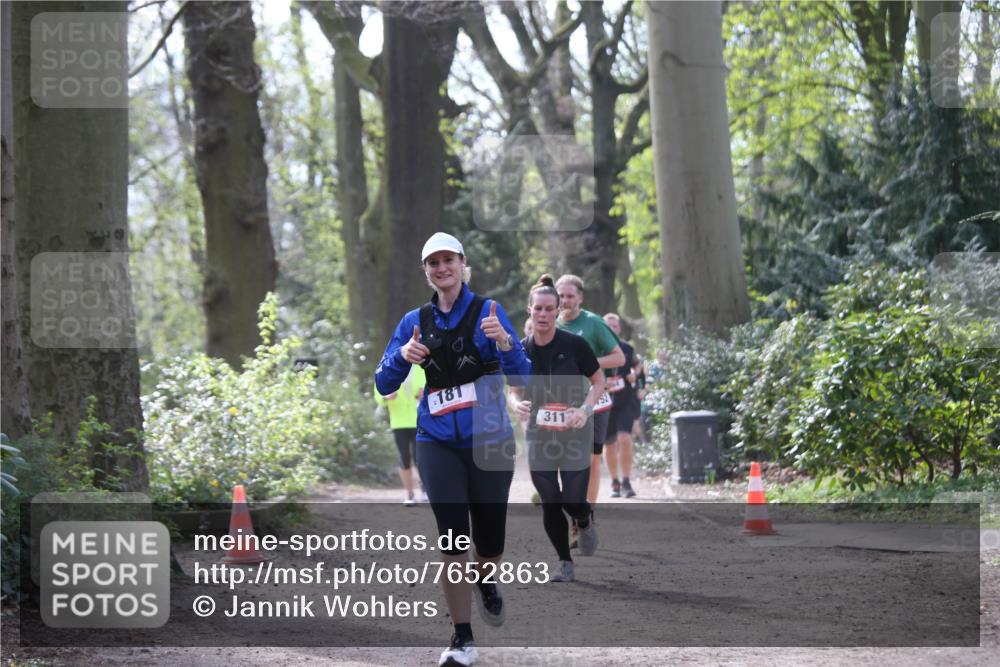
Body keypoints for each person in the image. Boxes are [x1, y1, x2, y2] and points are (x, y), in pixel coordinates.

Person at [375, 232, 530, 667]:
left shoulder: (490, 312)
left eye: (448, 260)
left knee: (490, 540)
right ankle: (461, 637)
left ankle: (486, 578)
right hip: (436, 440)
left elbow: (523, 375)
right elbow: (383, 382)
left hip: (490, 440)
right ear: (426, 271)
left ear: (463, 264)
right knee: (452, 536)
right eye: (433, 263)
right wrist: (402, 356)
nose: (442, 268)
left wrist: (504, 342)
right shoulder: (414, 321)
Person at [508, 275, 605, 582]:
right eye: (538, 308)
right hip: (539, 435)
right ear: (530, 310)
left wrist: (585, 409)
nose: (544, 314)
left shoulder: (575, 345)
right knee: (550, 499)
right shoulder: (520, 351)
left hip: (575, 430)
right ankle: (565, 562)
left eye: (550, 309)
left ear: (558, 311)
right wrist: (517, 405)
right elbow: (512, 389)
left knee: (572, 500)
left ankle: (584, 518)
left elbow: (599, 381)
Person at [554, 275, 625, 514]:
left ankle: (586, 516)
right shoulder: (551, 323)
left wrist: (589, 363)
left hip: (596, 402)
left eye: (569, 296)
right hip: (563, 402)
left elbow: (619, 357)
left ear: (580, 297)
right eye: (561, 296)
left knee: (592, 461)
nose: (564, 300)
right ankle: (571, 508)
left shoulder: (593, 323)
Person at [374, 363, 427, 506]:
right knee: (404, 457)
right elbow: (378, 395)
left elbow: (431, 388)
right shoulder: (389, 369)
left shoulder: (421, 368)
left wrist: (424, 394)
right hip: (398, 422)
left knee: (420, 457)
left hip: (419, 420)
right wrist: (387, 397)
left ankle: (425, 489)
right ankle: (409, 494)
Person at [602, 313, 639, 498]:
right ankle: (614, 481)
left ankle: (626, 481)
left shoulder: (627, 348)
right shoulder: (595, 349)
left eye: (614, 326)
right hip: (604, 402)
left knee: (625, 438)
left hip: (625, 401)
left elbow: (638, 366)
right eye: (607, 326)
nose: (611, 329)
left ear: (619, 329)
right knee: (608, 445)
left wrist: (635, 375)